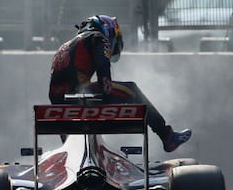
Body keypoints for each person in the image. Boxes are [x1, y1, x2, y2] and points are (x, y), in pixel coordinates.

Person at [49, 15, 191, 152]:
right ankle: (167, 136)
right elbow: (102, 63)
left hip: (59, 104)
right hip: (80, 96)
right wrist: (106, 90)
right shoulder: (97, 37)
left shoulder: (65, 46)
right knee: (132, 90)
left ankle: (73, 149)